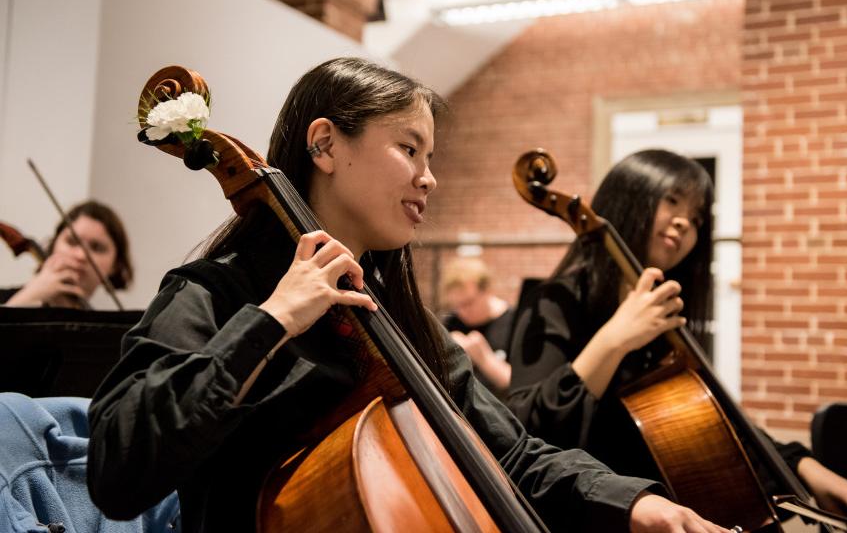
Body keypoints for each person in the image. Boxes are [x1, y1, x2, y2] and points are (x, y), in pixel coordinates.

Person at [86, 58, 728, 533]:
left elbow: (511, 453)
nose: (430, 177)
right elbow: (118, 471)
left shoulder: (405, 326)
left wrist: (641, 505)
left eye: (430, 154)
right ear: (325, 145)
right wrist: (273, 319)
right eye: (408, 148)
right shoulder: (216, 292)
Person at [505, 149, 847, 531]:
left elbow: (719, 425)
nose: (684, 222)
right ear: (628, 197)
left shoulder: (666, 318)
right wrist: (614, 340)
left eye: (697, 217)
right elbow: (523, 434)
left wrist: (804, 466)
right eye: (671, 200)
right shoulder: (554, 303)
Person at [1, 200, 132, 308]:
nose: (81, 256)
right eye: (71, 242)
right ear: (54, 245)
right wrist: (28, 297)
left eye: (97, 248)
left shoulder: (107, 334)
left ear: (115, 265)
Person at [440, 257, 514, 393]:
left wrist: (483, 358)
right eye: (457, 305)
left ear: (487, 291)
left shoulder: (513, 322)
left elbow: (518, 384)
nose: (463, 312)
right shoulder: (452, 323)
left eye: (468, 303)